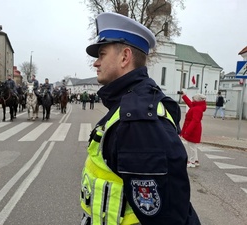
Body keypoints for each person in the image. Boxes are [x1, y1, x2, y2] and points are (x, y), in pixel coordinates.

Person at [80, 12, 200, 225]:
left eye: (102, 54)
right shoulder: (128, 105)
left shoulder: (138, 120)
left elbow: (165, 217)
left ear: (125, 57)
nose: (96, 63)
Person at [180, 92, 207, 168]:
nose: (192, 100)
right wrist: (184, 96)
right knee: (193, 146)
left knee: (191, 146)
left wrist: (187, 131)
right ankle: (195, 160)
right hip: (194, 129)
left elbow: (195, 121)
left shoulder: (197, 109)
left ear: (197, 100)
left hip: (193, 130)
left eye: (193, 99)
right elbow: (189, 103)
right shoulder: (197, 106)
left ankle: (192, 162)